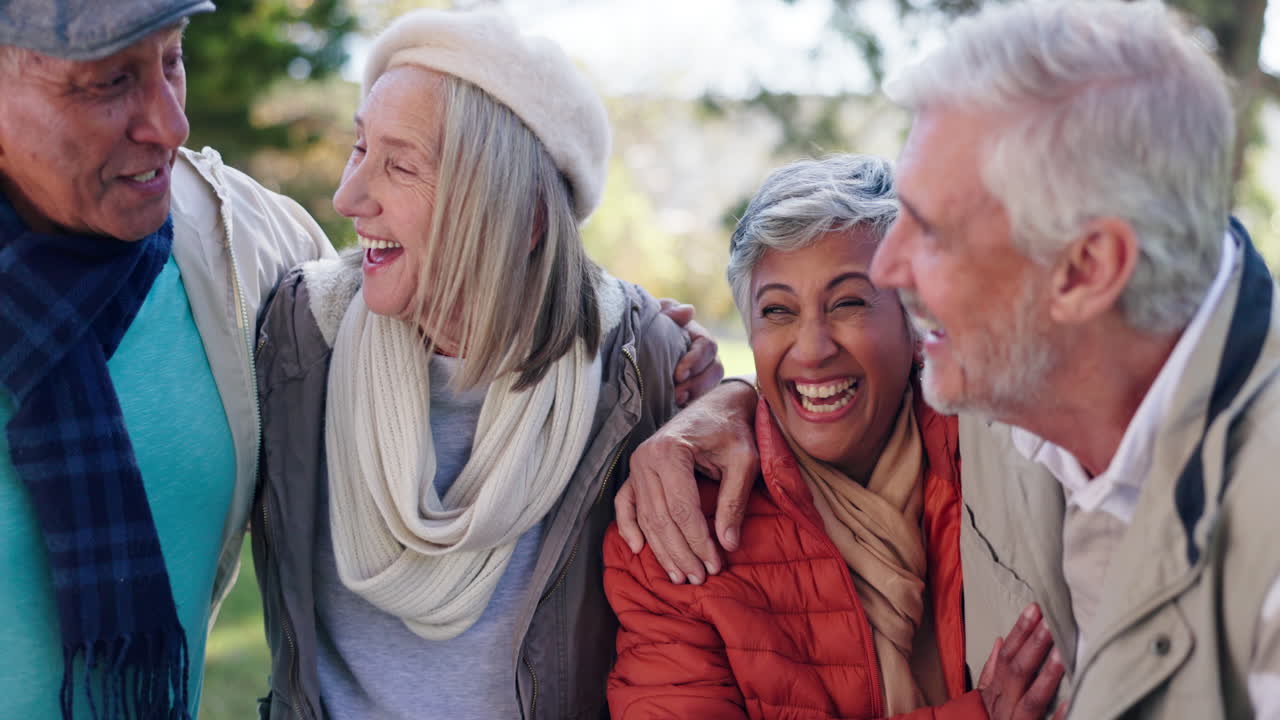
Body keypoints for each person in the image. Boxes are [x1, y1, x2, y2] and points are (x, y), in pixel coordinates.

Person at [614, 2, 1280, 718]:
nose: (894, 274)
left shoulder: (999, 434)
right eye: (777, 310)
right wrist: (731, 400)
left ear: (1086, 270)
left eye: (930, 232)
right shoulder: (1039, 421)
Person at [249, 9, 722, 719]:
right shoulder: (298, 337)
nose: (350, 198)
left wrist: (731, 401)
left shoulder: (639, 368)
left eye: (400, 165)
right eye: (359, 148)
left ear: (525, 217)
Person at [604, 154, 1063, 719]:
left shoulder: (998, 454)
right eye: (778, 311)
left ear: (916, 321)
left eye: (848, 302)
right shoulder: (676, 528)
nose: (813, 346)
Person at [0, 2, 337, 718]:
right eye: (111, 80)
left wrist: (644, 397)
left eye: (172, 61)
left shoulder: (244, 243)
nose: (169, 124)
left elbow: (458, 346)